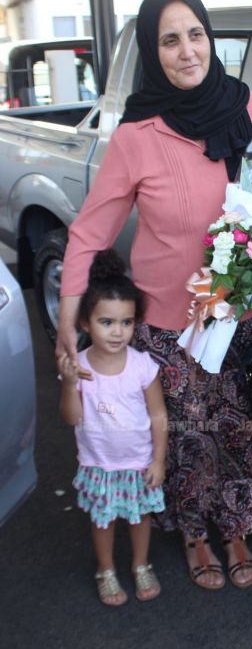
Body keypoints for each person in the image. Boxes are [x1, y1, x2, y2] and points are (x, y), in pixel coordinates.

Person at [57, 0, 252, 591]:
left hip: (247, 314)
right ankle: (196, 534)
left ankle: (237, 527)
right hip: (171, 324)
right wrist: (67, 325)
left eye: (196, 34)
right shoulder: (136, 136)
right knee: (186, 435)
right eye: (170, 40)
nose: (187, 51)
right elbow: (89, 233)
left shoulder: (248, 108)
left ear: (210, 38)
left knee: (245, 428)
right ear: (153, 54)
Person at [58, 249, 167, 607]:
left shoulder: (142, 366)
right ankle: (105, 569)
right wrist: (69, 384)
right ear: (85, 323)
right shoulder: (79, 367)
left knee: (140, 517)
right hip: (99, 464)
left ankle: (140, 565)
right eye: (106, 322)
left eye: (127, 322)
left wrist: (158, 460)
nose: (118, 332)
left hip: (138, 462)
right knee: (103, 521)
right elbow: (71, 418)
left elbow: (158, 415)